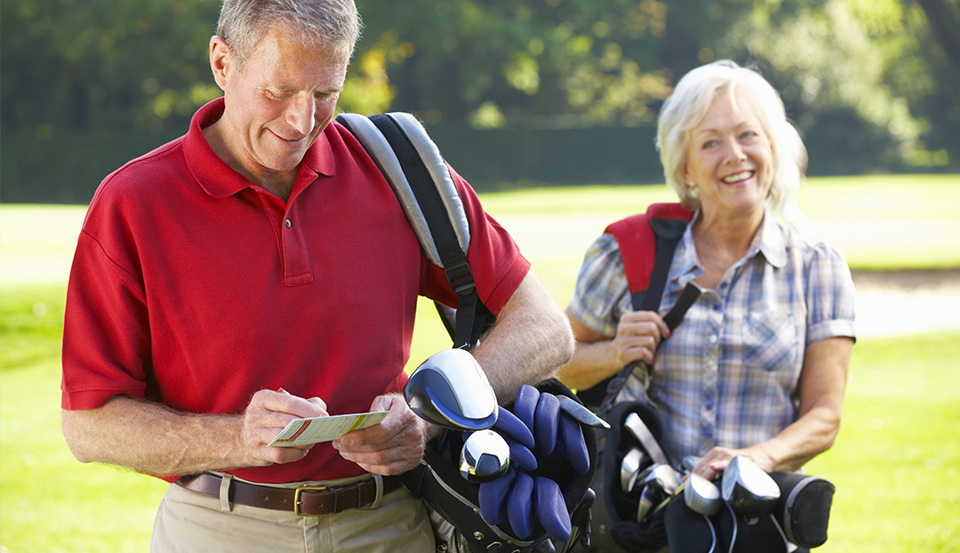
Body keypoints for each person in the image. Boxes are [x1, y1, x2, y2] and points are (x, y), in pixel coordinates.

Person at [59, 1, 573, 551]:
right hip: (218, 528)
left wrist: (431, 415)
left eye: (325, 93)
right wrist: (238, 438)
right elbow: (88, 425)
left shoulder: (397, 171)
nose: (302, 122)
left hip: (389, 524)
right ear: (222, 63)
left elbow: (546, 329)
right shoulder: (133, 204)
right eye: (279, 92)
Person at [561, 60, 854, 507]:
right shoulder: (627, 253)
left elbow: (824, 417)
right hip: (641, 523)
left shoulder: (818, 268)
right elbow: (555, 367)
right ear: (685, 170)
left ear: (773, 147)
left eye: (748, 135)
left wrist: (756, 459)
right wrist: (613, 353)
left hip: (758, 521)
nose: (735, 154)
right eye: (711, 143)